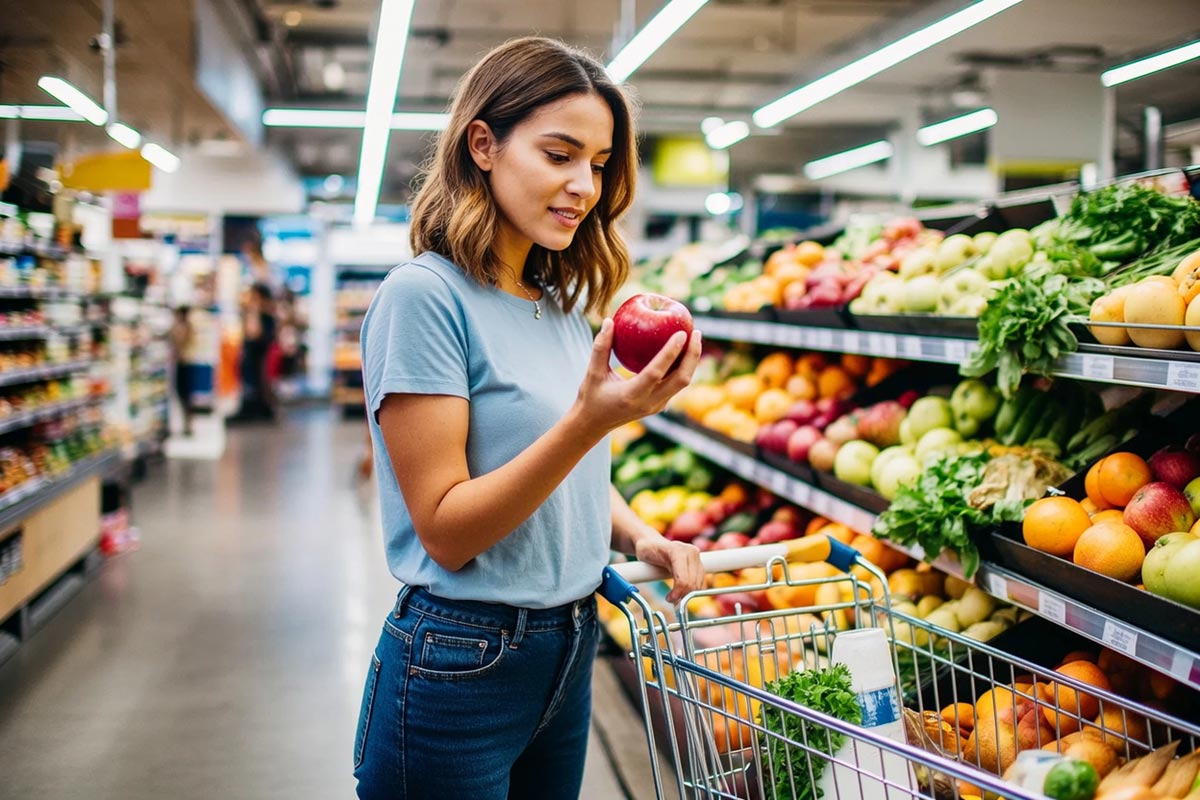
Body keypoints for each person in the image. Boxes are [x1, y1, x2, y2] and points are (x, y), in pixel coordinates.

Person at [354, 36, 705, 800]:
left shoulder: (558, 306)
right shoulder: (424, 299)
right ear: (483, 143)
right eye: (560, 154)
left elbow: (564, 467)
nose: (585, 184)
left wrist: (640, 533)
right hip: (460, 663)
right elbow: (446, 531)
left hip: (569, 648)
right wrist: (589, 422)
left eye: (601, 162)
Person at [234, 282, 277, 421]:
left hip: (258, 363)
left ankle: (256, 410)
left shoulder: (265, 317)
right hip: (252, 363)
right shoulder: (258, 315)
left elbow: (254, 333)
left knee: (255, 388)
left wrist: (253, 310)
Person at [169, 306, 195, 436]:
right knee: (185, 395)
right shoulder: (188, 327)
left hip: (184, 364)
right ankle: (187, 424)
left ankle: (188, 424)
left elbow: (178, 344)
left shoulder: (184, 328)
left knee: (184, 394)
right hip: (185, 363)